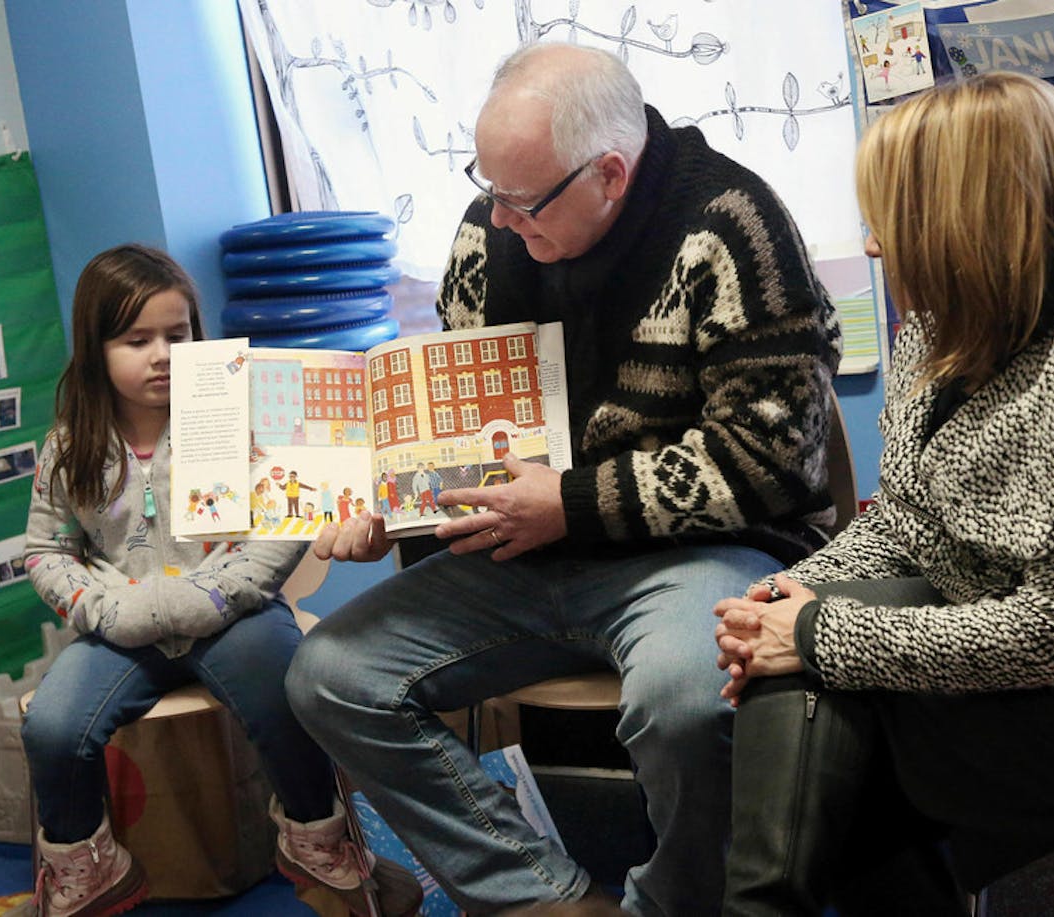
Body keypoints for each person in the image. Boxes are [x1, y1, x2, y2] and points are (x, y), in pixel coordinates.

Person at [289, 42, 841, 915]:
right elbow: (460, 442)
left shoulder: (732, 225)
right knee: (329, 673)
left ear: (610, 175)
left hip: (702, 551)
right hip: (528, 555)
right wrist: (385, 506)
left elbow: (773, 462)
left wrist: (572, 504)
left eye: (520, 200)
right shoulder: (490, 230)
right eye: (487, 187)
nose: (497, 219)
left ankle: (677, 903)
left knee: (689, 702)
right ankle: (543, 899)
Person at [714, 71, 1054, 916]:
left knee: (856, 738)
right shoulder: (947, 325)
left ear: (964, 225)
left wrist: (820, 632)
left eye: (888, 220)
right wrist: (788, 600)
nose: (872, 246)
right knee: (815, 693)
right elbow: (904, 519)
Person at [14, 244, 420, 917]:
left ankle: (317, 835)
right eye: (136, 339)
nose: (162, 354)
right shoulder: (70, 446)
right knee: (54, 727)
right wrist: (101, 608)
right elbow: (45, 552)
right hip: (124, 627)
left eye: (177, 335)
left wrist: (220, 592)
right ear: (94, 348)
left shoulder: (237, 420)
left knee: (289, 682)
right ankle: (84, 867)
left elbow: (284, 519)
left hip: (233, 613)